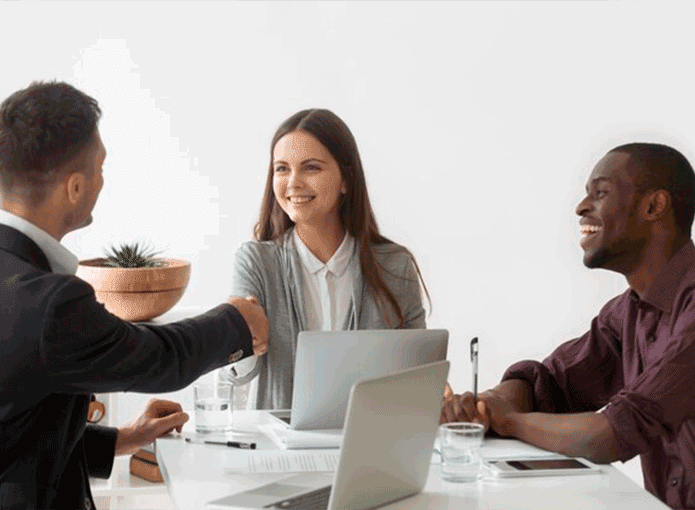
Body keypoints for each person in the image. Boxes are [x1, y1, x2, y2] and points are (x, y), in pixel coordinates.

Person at [0, 81, 269, 510]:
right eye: (100, 166)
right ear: (74, 187)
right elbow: (161, 357)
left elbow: (16, 433)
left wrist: (124, 440)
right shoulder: (50, 305)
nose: (103, 179)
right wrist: (238, 321)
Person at [441, 142, 695, 509]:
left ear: (653, 206)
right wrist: (484, 405)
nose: (580, 207)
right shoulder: (627, 314)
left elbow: (608, 435)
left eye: (601, 193)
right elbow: (551, 383)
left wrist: (508, 421)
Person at [223, 108, 431, 410]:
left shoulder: (394, 267)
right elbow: (239, 376)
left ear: (345, 180)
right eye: (281, 169)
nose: (293, 182)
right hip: (281, 451)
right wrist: (239, 337)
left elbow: (418, 376)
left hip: (368, 446)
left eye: (311, 168)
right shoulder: (256, 262)